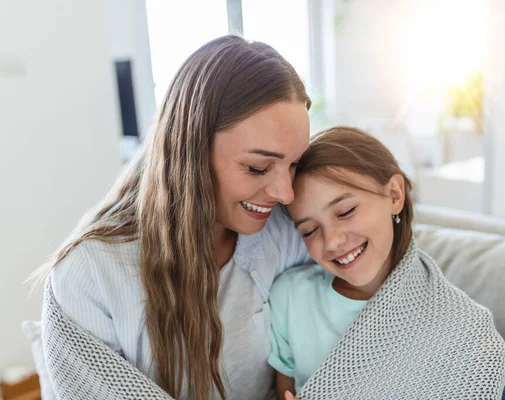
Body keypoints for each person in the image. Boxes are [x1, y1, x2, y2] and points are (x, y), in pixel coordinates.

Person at [36, 35, 312, 400]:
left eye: (294, 164)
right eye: (258, 168)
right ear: (191, 150)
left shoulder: (284, 233)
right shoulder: (92, 274)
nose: (285, 193)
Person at [268, 127, 505, 400]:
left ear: (395, 195)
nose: (332, 241)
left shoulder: (453, 320)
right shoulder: (290, 298)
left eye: (345, 211)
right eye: (309, 230)